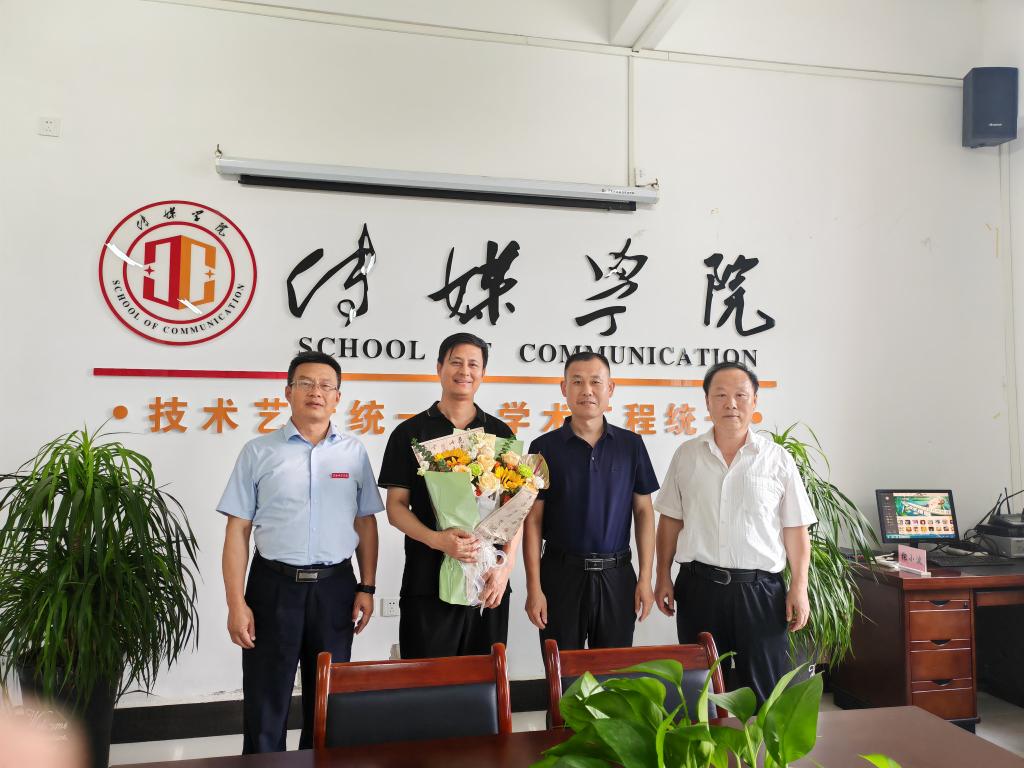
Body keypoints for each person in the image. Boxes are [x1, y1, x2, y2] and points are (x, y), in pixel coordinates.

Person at [218, 351, 383, 753]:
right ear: (288, 391)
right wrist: (236, 603)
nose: (316, 392)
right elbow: (238, 529)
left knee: (329, 700)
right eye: (306, 383)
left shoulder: (353, 452)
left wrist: (367, 587)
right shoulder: (258, 452)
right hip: (273, 586)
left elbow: (366, 523)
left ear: (338, 397)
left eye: (326, 385)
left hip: (335, 588)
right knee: (266, 699)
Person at [653, 361, 815, 704]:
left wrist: (799, 587)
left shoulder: (777, 460)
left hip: (760, 592)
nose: (731, 404)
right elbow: (670, 520)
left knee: (764, 691)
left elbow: (795, 529)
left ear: (754, 401)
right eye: (721, 395)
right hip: (699, 589)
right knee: (701, 691)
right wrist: (662, 575)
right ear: (707, 402)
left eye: (741, 395)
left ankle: (757, 743)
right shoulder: (686, 456)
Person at [378, 332, 517, 658]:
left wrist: (505, 568)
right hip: (427, 583)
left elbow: (513, 511)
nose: (464, 371)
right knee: (428, 678)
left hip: (488, 583)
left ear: (483, 373)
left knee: (485, 678)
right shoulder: (410, 433)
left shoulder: (500, 433)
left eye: (473, 364)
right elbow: (396, 508)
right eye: (456, 362)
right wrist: (437, 540)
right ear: (439, 367)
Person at [523, 351, 658, 650]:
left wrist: (645, 578)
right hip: (560, 577)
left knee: (613, 671)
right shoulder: (543, 447)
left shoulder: (631, 445)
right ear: (564, 388)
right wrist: (534, 587)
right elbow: (533, 521)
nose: (587, 390)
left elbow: (644, 513)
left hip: (617, 577)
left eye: (596, 382)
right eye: (577, 382)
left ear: (610, 388)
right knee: (562, 669)